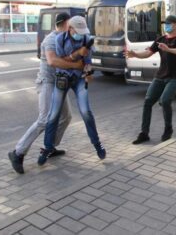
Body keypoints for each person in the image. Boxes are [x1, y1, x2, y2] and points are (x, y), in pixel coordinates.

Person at [8, 12, 87, 174]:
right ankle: (17, 153)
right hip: (47, 83)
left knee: (66, 117)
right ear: (66, 24)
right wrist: (75, 65)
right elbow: (52, 60)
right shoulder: (51, 39)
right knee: (44, 120)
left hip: (59, 84)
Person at [38, 15, 106, 166]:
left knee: (86, 112)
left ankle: (97, 145)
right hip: (62, 78)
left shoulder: (86, 39)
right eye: (78, 30)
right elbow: (61, 62)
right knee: (53, 114)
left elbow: (87, 63)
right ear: (70, 28)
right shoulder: (59, 39)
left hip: (80, 80)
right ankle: (48, 148)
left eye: (83, 31)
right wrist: (77, 55)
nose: (80, 34)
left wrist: (88, 72)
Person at [125, 15, 176, 144]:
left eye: (169, 24)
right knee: (148, 101)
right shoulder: (160, 40)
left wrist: (169, 49)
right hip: (160, 76)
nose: (167, 26)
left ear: (175, 25)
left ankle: (168, 129)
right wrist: (135, 55)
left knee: (165, 101)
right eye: (165, 24)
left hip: (174, 77)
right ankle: (144, 133)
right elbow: (148, 53)